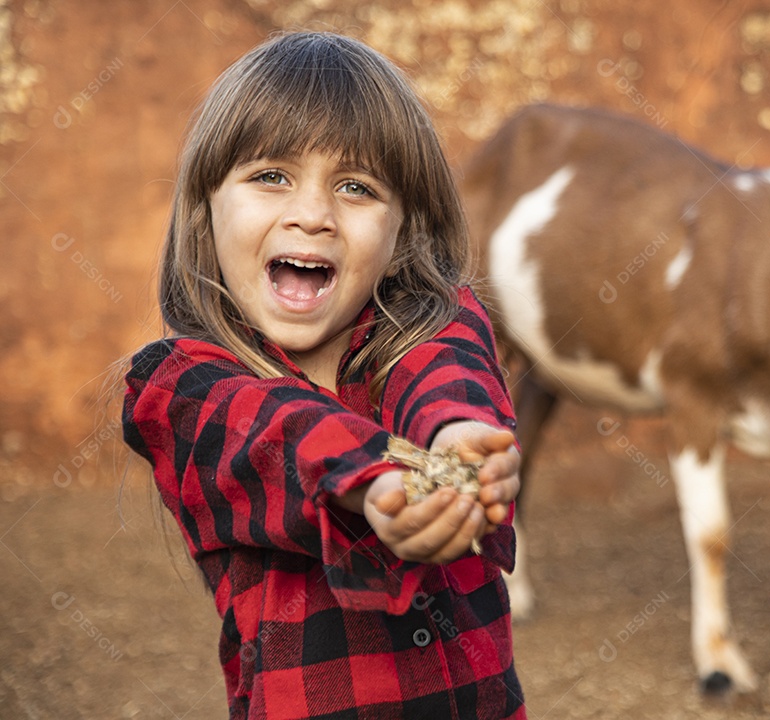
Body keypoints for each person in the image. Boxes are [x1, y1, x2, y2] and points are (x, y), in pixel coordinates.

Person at [121, 31, 526, 719]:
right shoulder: (177, 387)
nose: (313, 215)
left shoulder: (433, 329)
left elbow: (447, 372)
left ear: (406, 235)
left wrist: (460, 442)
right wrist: (381, 480)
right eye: (270, 175)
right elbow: (277, 434)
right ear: (204, 211)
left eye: (356, 187)